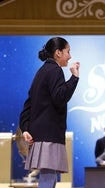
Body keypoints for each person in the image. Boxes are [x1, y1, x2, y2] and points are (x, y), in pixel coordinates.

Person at [19, 37, 80, 188]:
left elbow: (29, 103)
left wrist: (25, 128)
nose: (70, 56)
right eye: (68, 51)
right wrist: (74, 77)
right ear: (58, 53)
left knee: (49, 177)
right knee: (48, 178)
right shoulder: (55, 70)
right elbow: (60, 98)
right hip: (49, 135)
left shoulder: (41, 72)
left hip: (41, 134)